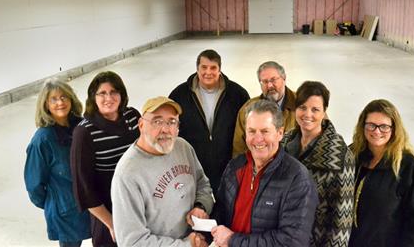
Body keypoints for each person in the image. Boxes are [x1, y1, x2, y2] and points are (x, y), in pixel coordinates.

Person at [211, 100, 318, 247]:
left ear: (280, 133)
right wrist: (203, 230)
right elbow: (220, 213)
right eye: (252, 131)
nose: (258, 139)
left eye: (265, 131)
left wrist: (233, 240)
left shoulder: (298, 178)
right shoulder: (234, 167)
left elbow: (292, 242)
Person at [111, 96, 214, 247]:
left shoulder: (183, 147)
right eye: (157, 121)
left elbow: (203, 184)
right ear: (141, 125)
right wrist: (186, 245)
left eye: (172, 121)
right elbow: (131, 242)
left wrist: (201, 206)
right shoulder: (127, 174)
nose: (165, 129)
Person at [70, 71, 140, 247]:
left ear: (121, 95)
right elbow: (83, 188)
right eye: (102, 93)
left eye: (114, 92)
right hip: (108, 208)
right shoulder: (84, 132)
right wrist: (111, 223)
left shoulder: (132, 116)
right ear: (93, 97)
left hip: (138, 200)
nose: (109, 97)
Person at [281, 81, 355, 247]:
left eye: (315, 109)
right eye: (302, 107)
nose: (307, 114)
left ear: (324, 112)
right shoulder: (284, 143)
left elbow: (341, 221)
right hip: (282, 237)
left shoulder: (340, 156)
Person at [348, 99, 414, 247]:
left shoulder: (408, 166)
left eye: (384, 126)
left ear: (394, 129)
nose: (377, 131)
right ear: (363, 126)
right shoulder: (353, 155)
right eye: (371, 125)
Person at [169, 49, 249, 191]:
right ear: (197, 69)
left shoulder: (237, 94)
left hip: (228, 165)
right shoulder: (179, 95)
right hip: (192, 165)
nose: (208, 72)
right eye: (204, 67)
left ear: (220, 70)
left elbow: (246, 128)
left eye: (213, 68)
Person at [24, 78, 91, 247]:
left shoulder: (82, 127)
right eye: (53, 99)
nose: (60, 102)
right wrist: (55, 202)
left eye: (64, 97)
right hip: (66, 212)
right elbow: (34, 186)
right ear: (45, 104)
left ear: (71, 100)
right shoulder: (42, 140)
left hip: (92, 202)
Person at [232, 61, 296, 158]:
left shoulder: (303, 103)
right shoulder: (247, 109)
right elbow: (239, 149)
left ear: (284, 78)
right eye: (265, 82)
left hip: (296, 169)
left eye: (273, 80)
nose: (270, 85)